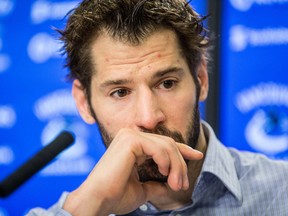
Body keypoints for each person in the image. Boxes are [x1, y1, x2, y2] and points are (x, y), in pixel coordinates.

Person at [27, 0, 288, 215]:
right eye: (120, 92)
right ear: (84, 103)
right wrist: (87, 207)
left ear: (201, 79)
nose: (149, 118)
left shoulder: (282, 191)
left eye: (167, 83)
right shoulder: (79, 209)